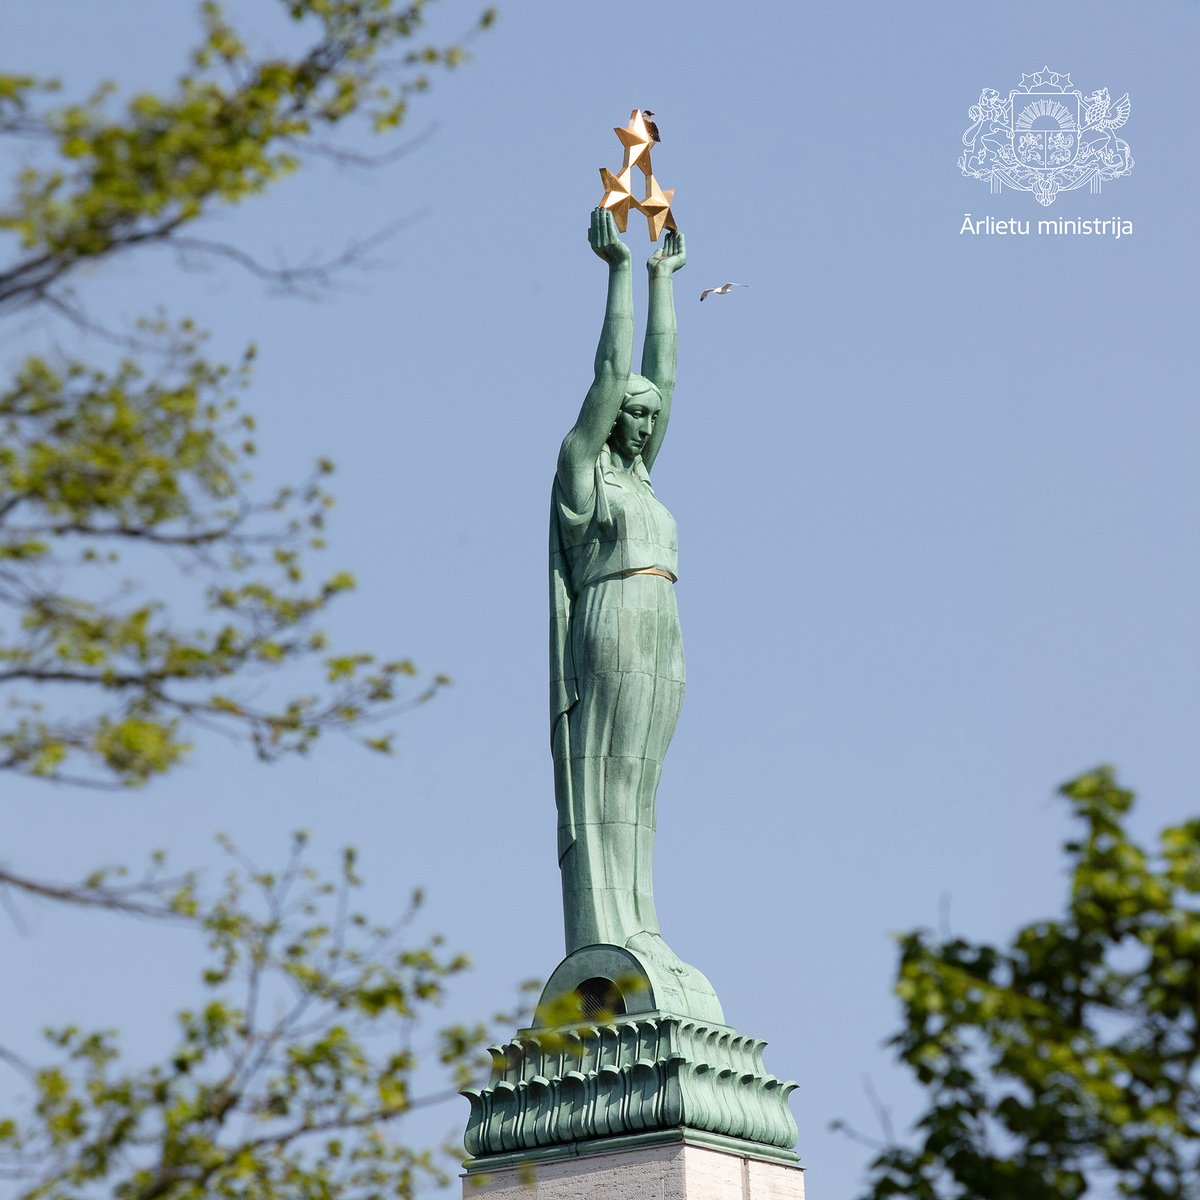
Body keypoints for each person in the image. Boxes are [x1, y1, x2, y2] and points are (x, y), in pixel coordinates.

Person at [549, 207, 688, 967]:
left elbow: (661, 374)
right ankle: (604, 927)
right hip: (611, 615)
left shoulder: (642, 478)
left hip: (661, 619)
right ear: (607, 423)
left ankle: (640, 921)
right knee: (606, 771)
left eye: (650, 417)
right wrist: (622, 273)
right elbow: (615, 375)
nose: (642, 423)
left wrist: (668, 282)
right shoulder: (582, 473)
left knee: (642, 783)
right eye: (631, 416)